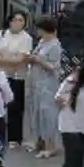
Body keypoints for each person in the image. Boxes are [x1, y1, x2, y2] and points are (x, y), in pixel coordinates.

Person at [0, 11, 34, 148]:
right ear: (10, 21)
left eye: (21, 20)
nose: (18, 23)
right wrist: (7, 61)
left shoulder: (26, 38)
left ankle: (14, 138)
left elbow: (20, 60)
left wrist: (4, 60)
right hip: (1, 74)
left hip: (18, 76)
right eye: (16, 20)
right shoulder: (2, 34)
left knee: (15, 106)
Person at [27, 16, 64, 159]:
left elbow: (54, 68)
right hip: (37, 83)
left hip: (48, 84)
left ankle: (51, 146)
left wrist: (39, 61)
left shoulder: (55, 45)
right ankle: (39, 142)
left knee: (48, 115)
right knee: (36, 113)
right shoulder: (42, 42)